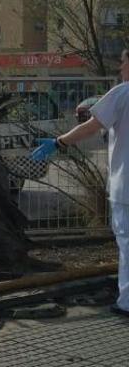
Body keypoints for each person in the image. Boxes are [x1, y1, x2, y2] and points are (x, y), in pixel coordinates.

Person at [33, 48, 129, 316]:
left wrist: (58, 141)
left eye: (123, 63)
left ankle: (127, 302)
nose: (120, 69)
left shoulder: (122, 93)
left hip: (126, 187)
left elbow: (91, 126)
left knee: (128, 244)